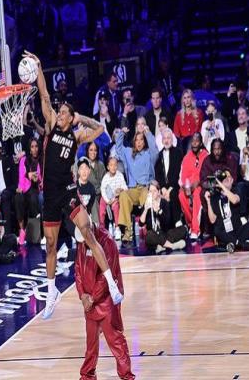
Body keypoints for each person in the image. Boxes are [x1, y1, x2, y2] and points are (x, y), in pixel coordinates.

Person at [24, 50, 123, 320]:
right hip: (50, 194)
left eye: (64, 112)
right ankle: (51, 292)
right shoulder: (51, 125)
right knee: (51, 245)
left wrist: (82, 117)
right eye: (59, 112)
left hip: (68, 191)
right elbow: (44, 94)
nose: (59, 114)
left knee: (88, 233)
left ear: (70, 117)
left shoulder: (77, 136)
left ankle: (112, 284)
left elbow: (100, 129)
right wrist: (39, 66)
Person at [75, 220, 134, 380]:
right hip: (89, 301)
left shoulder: (107, 242)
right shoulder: (82, 239)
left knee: (116, 341)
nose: (83, 244)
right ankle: (87, 376)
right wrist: (82, 295)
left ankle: (126, 376)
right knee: (91, 344)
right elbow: (78, 269)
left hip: (106, 301)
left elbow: (106, 276)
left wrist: (92, 298)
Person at [116, 126, 159, 243]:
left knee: (147, 195)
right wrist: (121, 133)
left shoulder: (148, 154)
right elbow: (118, 148)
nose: (139, 142)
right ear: (134, 142)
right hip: (133, 189)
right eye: (137, 140)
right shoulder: (128, 152)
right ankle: (128, 231)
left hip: (145, 187)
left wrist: (148, 133)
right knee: (124, 195)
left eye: (141, 140)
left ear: (144, 142)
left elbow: (155, 151)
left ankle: (148, 228)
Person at [204, 169, 249, 253]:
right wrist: (208, 201)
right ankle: (241, 244)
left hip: (236, 230)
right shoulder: (215, 196)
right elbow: (212, 220)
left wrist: (222, 186)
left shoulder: (236, 190)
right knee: (217, 230)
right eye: (225, 177)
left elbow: (234, 200)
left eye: (229, 177)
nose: (227, 178)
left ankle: (232, 244)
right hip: (224, 232)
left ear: (232, 180)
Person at [140, 181, 187, 253]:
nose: (152, 193)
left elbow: (167, 223)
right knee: (148, 236)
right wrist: (146, 209)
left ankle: (161, 246)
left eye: (154, 191)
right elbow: (141, 223)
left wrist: (159, 211)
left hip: (165, 232)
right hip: (154, 233)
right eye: (150, 191)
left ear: (159, 192)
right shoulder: (147, 204)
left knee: (183, 229)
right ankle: (172, 246)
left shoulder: (164, 203)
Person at [178, 133, 209, 240]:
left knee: (197, 194)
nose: (194, 143)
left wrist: (197, 183)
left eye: (197, 141)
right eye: (193, 141)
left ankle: (196, 230)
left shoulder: (206, 156)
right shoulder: (187, 157)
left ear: (201, 143)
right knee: (181, 195)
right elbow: (182, 175)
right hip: (188, 186)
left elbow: (207, 174)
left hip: (201, 186)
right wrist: (185, 186)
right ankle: (191, 224)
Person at [14, 138, 42, 245]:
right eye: (32, 147)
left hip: (34, 188)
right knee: (18, 198)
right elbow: (21, 176)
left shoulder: (40, 160)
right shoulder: (24, 160)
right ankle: (22, 230)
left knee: (34, 199)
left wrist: (36, 179)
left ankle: (34, 233)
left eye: (36, 146)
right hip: (24, 188)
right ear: (29, 149)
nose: (35, 149)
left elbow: (40, 177)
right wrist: (27, 177)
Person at [155, 128, 183, 227]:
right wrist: (163, 188)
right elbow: (158, 174)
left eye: (168, 138)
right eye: (164, 138)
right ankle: (163, 225)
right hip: (163, 187)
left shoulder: (178, 152)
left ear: (172, 139)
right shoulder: (159, 155)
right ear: (162, 140)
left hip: (175, 185)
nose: (166, 140)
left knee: (174, 194)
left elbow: (178, 172)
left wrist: (170, 189)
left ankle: (177, 221)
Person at [99, 156, 128, 238]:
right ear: (108, 167)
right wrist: (107, 200)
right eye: (111, 165)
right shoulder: (106, 177)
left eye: (115, 165)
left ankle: (117, 228)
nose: (113, 167)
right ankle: (102, 228)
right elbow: (102, 190)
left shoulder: (120, 175)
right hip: (107, 197)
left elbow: (125, 187)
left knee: (116, 207)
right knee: (101, 203)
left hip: (116, 197)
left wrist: (121, 190)